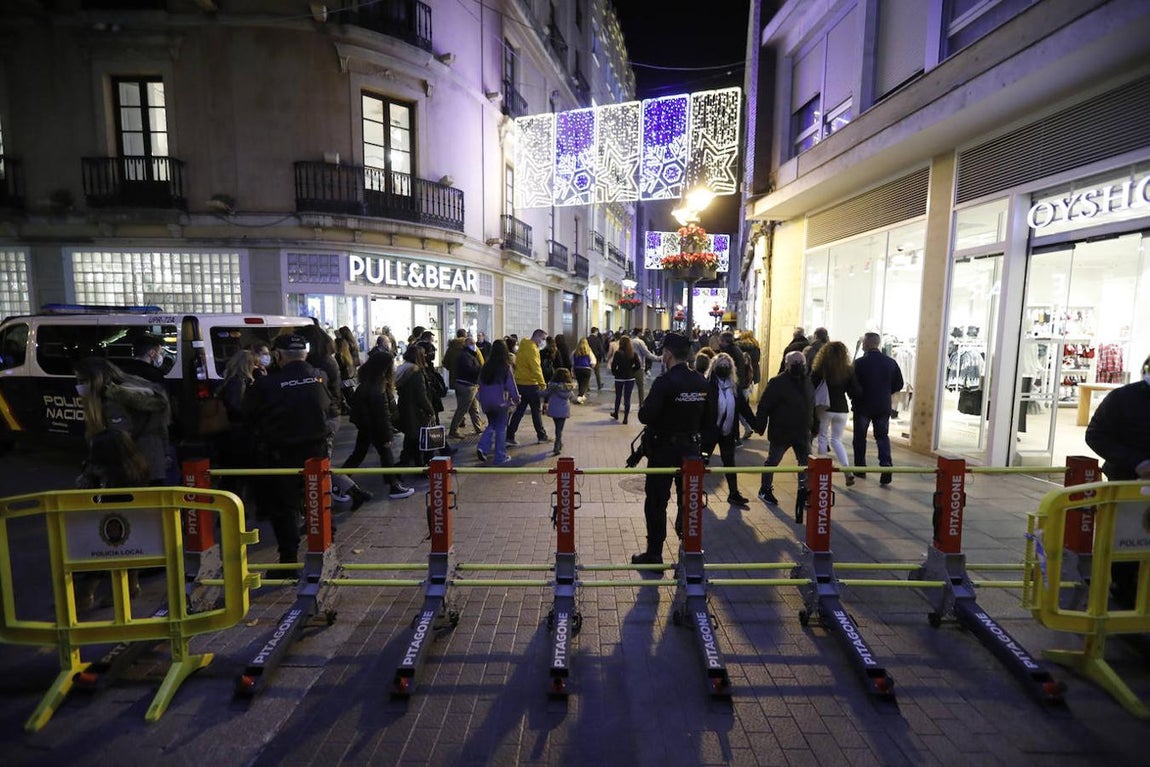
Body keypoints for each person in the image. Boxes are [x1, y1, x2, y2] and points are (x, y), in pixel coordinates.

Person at [242, 334, 332, 563]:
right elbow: (330, 407)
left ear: (278, 355)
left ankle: (289, 558)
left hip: (281, 454)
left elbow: (248, 415)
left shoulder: (267, 384)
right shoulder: (319, 377)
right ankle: (324, 549)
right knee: (318, 500)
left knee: (284, 508)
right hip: (316, 451)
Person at [633, 331, 711, 566]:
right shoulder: (700, 381)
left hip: (663, 451)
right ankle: (688, 551)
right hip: (690, 450)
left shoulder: (664, 382)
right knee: (688, 500)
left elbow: (645, 415)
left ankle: (655, 553)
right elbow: (710, 419)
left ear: (667, 354)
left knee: (656, 501)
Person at [1084, 353, 1150, 608]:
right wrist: (1135, 462)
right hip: (1127, 485)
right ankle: (1123, 592)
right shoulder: (1123, 398)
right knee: (1127, 543)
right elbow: (1096, 435)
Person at [74, 428, 151, 609]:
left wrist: (89, 473)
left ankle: (86, 594)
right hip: (139, 525)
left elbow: (83, 492)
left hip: (113, 523)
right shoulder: (137, 465)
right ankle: (132, 586)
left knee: (101, 548)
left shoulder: (109, 473)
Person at [300, 324, 372, 509]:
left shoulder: (320, 364)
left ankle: (331, 503)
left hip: (325, 416)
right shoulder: (327, 360)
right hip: (329, 414)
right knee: (321, 461)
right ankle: (352, 492)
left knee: (320, 463)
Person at [74, 357, 171, 484]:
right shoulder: (134, 388)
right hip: (154, 461)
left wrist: (92, 472)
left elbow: (118, 441)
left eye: (82, 380)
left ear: (95, 379)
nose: (79, 385)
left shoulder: (113, 401)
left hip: (133, 468)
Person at [342, 351, 414, 500]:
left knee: (358, 455)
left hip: (366, 426)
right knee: (385, 453)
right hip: (375, 427)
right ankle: (393, 485)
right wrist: (386, 435)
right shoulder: (379, 386)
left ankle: (339, 481)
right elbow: (382, 415)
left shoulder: (367, 382)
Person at [754, 350, 814, 506]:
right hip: (782, 431)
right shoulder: (777, 383)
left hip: (802, 432)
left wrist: (814, 425)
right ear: (787, 365)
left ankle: (805, 491)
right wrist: (760, 426)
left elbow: (811, 405)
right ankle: (765, 489)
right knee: (773, 461)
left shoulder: (807, 381)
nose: (799, 366)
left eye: (801, 363)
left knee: (806, 463)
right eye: (795, 363)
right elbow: (764, 406)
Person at [849, 331, 904, 485]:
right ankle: (886, 465)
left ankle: (860, 468)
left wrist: (855, 396)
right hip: (882, 405)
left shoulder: (859, 363)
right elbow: (899, 384)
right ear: (878, 344)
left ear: (866, 344)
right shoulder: (890, 362)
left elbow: (852, 384)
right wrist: (886, 392)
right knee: (882, 436)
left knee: (860, 437)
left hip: (862, 405)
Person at [701, 352, 755, 508]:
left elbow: (744, 408)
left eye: (727, 365)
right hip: (710, 432)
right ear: (714, 367)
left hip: (727, 432)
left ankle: (733, 493)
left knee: (729, 462)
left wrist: (756, 424)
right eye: (721, 365)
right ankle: (695, 492)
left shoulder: (734, 387)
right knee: (701, 463)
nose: (724, 368)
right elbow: (700, 409)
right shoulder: (707, 385)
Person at [213, 349, 259, 507]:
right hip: (238, 436)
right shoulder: (239, 382)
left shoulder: (229, 380)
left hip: (229, 434)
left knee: (231, 475)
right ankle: (235, 508)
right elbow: (236, 406)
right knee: (237, 474)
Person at [811, 341, 855, 486]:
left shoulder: (820, 369)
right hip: (842, 409)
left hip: (825, 407)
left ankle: (822, 470)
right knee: (837, 440)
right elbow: (855, 391)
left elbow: (811, 386)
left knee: (822, 437)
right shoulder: (848, 370)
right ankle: (847, 470)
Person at [476, 339, 519, 465]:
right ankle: (500, 456)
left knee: (492, 424)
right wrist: (516, 399)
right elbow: (511, 385)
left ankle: (482, 447)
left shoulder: (486, 366)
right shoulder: (505, 367)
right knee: (501, 428)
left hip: (486, 401)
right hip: (500, 401)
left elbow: (480, 383)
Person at [395, 345, 436, 467]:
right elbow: (421, 395)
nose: (425, 356)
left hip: (405, 407)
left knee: (410, 436)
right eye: (423, 354)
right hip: (417, 411)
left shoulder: (402, 369)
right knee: (419, 438)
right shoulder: (416, 372)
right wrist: (430, 410)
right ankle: (420, 465)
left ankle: (405, 461)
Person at [507, 328, 550, 444]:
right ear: (537, 337)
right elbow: (536, 368)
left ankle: (509, 436)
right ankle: (542, 436)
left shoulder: (523, 344)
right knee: (536, 411)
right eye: (543, 339)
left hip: (520, 383)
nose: (543, 341)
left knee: (519, 411)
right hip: (531, 384)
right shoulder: (532, 349)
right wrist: (542, 384)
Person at [448, 332, 485, 438]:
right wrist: (480, 369)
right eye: (472, 344)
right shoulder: (465, 356)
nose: (475, 346)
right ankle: (453, 430)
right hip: (466, 386)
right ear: (467, 345)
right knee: (462, 409)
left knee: (474, 409)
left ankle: (478, 427)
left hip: (470, 385)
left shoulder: (468, 354)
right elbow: (469, 370)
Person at [542, 367, 576, 455]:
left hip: (554, 410)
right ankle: (557, 445)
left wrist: (535, 392)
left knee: (558, 428)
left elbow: (545, 394)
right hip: (564, 411)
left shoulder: (553, 387)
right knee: (559, 429)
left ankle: (559, 443)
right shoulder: (569, 388)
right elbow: (573, 398)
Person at [610, 335, 642, 424]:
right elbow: (638, 365)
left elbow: (613, 366)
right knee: (627, 398)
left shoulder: (618, 353)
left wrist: (615, 373)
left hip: (619, 378)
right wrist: (632, 371)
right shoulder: (633, 353)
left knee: (618, 396)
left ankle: (616, 413)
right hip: (630, 378)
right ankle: (625, 418)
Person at [572, 337, 596, 402]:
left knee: (580, 383)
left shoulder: (575, 351)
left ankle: (582, 395)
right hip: (586, 369)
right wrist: (591, 367)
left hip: (577, 369)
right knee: (585, 384)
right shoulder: (589, 351)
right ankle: (580, 396)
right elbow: (593, 362)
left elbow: (572, 361)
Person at [587, 327, 606, 391]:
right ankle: (599, 385)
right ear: (595, 331)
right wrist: (602, 357)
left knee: (588, 372)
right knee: (597, 372)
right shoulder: (597, 339)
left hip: (588, 358)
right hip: (596, 358)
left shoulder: (587, 339)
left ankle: (587, 387)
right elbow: (601, 349)